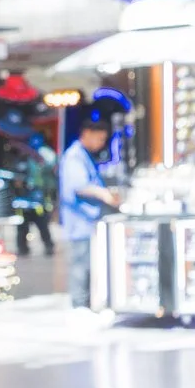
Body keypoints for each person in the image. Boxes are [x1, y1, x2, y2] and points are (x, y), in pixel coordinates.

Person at [57, 118, 120, 306]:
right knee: (80, 264)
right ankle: (79, 304)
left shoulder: (84, 156)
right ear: (87, 134)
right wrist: (104, 194)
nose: (101, 144)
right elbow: (79, 185)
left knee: (87, 263)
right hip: (79, 222)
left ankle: (85, 302)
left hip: (87, 221)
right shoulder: (74, 157)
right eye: (99, 139)